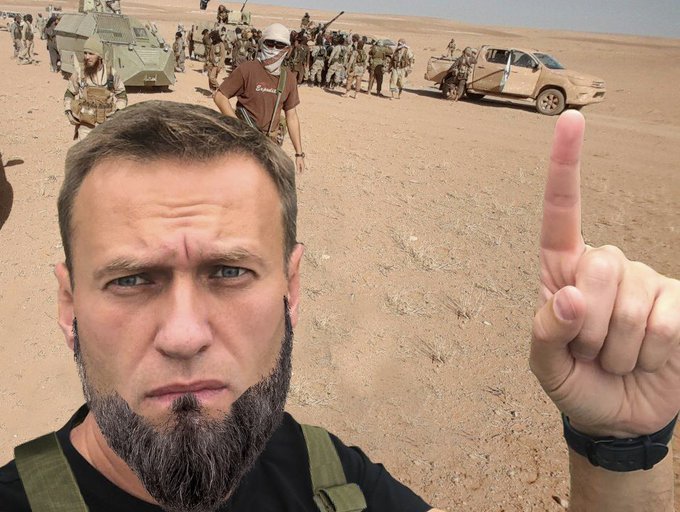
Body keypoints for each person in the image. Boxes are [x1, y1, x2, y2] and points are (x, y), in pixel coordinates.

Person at [1, 103, 679, 512]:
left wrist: (619, 446)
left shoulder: (332, 482)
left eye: (230, 271)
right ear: (69, 304)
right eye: (130, 280)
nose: (183, 334)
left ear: (292, 290)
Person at [214, 23, 305, 173]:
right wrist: (237, 125)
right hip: (243, 141)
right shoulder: (247, 69)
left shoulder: (288, 78)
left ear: (287, 49)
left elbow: (292, 116)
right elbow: (220, 96)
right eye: (270, 43)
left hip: (270, 144)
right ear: (262, 44)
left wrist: (299, 153)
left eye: (279, 45)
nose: (274, 48)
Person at [63, 36, 127, 140]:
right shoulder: (80, 73)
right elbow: (69, 93)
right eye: (85, 53)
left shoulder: (111, 74)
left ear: (99, 56)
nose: (87, 57)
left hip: (106, 127)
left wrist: (117, 111)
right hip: (85, 126)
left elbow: (122, 96)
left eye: (91, 54)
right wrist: (68, 110)